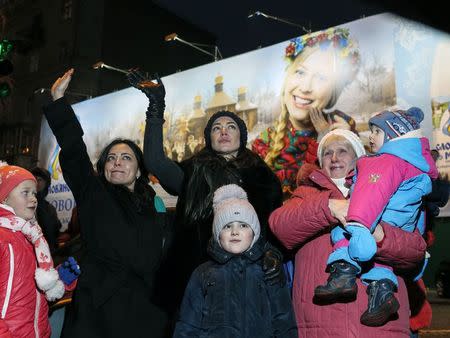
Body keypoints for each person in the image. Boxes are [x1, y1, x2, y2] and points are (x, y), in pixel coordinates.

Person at [127, 71, 284, 319]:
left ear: (241, 137)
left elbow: (276, 225)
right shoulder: (192, 173)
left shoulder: (263, 178)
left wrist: (274, 253)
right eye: (216, 128)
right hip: (196, 283)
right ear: (209, 138)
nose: (223, 131)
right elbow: (155, 161)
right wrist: (156, 106)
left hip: (249, 281)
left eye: (231, 126)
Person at [43, 69, 168, 338]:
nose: (117, 162)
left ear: (139, 170)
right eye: (111, 158)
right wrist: (58, 101)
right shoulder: (95, 193)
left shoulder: (154, 206)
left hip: (145, 312)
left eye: (126, 158)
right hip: (97, 311)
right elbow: (75, 152)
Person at [269, 129, 428, 337]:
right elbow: (280, 227)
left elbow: (415, 252)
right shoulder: (305, 194)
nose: (334, 157)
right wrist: (329, 207)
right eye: (327, 153)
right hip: (318, 325)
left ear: (359, 157)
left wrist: (380, 236)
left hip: (381, 328)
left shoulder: (393, 192)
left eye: (342, 151)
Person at [314, 107, 438, 326]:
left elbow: (370, 197)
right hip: (400, 226)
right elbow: (419, 213)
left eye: (376, 132)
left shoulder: (385, 162)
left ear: (394, 136)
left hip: (375, 220)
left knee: (341, 231)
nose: (371, 136)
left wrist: (359, 225)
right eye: (327, 152)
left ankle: (343, 274)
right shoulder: (415, 166)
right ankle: (382, 294)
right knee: (382, 263)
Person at [174, 184, 297, 338]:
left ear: (254, 233)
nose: (235, 231)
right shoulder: (203, 273)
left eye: (243, 225)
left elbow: (284, 320)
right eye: (227, 226)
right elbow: (188, 323)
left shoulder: (269, 270)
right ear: (218, 234)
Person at [252, 27, 360, 195]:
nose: (305, 87)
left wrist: (346, 143)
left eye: (321, 77)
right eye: (300, 72)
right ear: (287, 78)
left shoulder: (343, 126)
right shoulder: (263, 143)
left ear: (333, 92)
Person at [0, 162, 65, 338]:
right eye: (25, 192)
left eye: (34, 193)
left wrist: (62, 279)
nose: (34, 198)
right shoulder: (2, 238)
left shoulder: (33, 238)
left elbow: (33, 291)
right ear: (4, 197)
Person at [30, 166, 62, 253]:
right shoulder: (25, 206)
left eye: (40, 179)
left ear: (46, 183)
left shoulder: (50, 208)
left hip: (49, 254)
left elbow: (55, 233)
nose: (36, 182)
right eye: (34, 179)